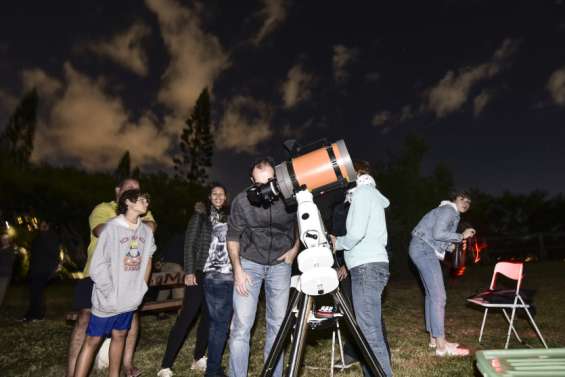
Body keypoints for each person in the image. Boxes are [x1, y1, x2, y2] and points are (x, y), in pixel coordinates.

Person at [66, 178, 156, 377]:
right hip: (108, 292)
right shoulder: (112, 226)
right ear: (127, 201)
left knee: (120, 334)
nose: (146, 202)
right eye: (140, 198)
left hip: (129, 294)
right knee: (93, 338)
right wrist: (108, 292)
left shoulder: (145, 231)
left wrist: (140, 288)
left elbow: (148, 258)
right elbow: (98, 265)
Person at [227, 158, 299, 377]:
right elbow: (232, 237)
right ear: (251, 181)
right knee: (241, 327)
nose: (266, 188)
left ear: (276, 178)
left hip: (280, 265)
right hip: (249, 264)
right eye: (259, 184)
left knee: (277, 325)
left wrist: (295, 250)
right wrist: (238, 269)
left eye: (270, 181)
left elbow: (301, 224)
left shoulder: (289, 196)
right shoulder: (242, 201)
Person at [157, 184, 233, 377]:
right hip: (199, 273)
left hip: (216, 275)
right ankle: (165, 365)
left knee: (208, 319)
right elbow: (189, 244)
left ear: (226, 198)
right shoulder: (199, 216)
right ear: (209, 197)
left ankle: (198, 358)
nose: (218, 197)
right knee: (187, 317)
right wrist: (189, 271)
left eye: (221, 194)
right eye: (214, 194)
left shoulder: (228, 218)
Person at [331, 160, 393, 377]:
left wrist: (337, 243)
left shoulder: (362, 193)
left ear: (355, 173)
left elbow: (356, 233)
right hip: (371, 265)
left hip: (366, 267)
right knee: (369, 331)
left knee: (369, 334)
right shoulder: (370, 194)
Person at [409, 191, 475, 357]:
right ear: (455, 199)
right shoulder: (449, 211)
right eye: (462, 199)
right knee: (439, 297)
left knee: (432, 296)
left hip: (420, 247)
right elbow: (439, 233)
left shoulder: (445, 210)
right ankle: (441, 346)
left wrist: (448, 247)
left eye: (469, 202)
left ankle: (434, 339)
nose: (466, 203)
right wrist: (461, 236)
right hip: (424, 249)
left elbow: (436, 235)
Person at [23, 220, 61, 321]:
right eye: (41, 225)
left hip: (44, 269)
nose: (42, 226)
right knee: (34, 292)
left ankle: (37, 315)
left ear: (48, 226)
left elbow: (55, 253)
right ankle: (32, 314)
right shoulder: (39, 238)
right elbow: (34, 253)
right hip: (36, 269)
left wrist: (54, 267)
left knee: (37, 292)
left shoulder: (51, 237)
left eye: (45, 225)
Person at [0, 233, 18, 308]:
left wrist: (15, 250)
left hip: (5, 275)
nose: (5, 240)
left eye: (6, 239)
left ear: (9, 240)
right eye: (3, 238)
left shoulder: (11, 250)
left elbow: (12, 260)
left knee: (1, 293)